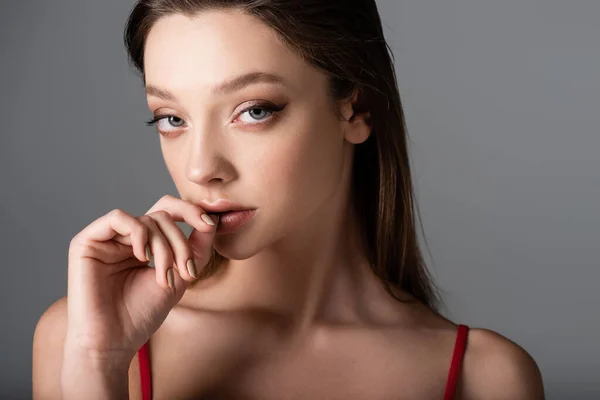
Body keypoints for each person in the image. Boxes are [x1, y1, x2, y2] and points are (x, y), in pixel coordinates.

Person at [32, 0, 545, 398]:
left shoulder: (486, 380)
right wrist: (98, 365)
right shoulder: (81, 339)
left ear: (355, 109)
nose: (200, 168)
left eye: (253, 110)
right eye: (172, 118)